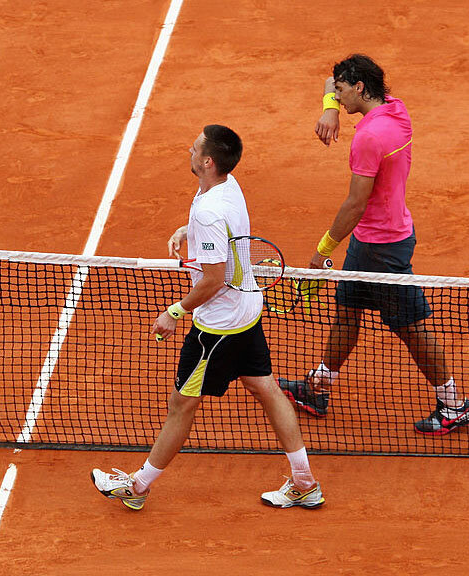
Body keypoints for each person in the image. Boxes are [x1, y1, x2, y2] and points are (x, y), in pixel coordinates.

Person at [91, 125, 324, 510]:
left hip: (217, 328)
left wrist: (175, 311)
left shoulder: (211, 210)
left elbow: (214, 278)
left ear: (208, 161)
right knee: (265, 388)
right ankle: (304, 482)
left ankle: (137, 488)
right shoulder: (226, 187)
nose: (190, 150)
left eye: (195, 148)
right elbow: (223, 236)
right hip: (246, 314)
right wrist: (190, 231)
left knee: (182, 405)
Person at [277, 54, 469, 435]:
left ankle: (453, 404)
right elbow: (328, 79)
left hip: (380, 249)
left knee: (411, 328)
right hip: (374, 239)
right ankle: (318, 389)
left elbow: (355, 203)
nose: (335, 95)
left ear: (358, 87)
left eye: (341, 91)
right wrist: (330, 108)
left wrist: (323, 249)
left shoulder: (369, 138)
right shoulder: (395, 109)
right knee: (347, 313)